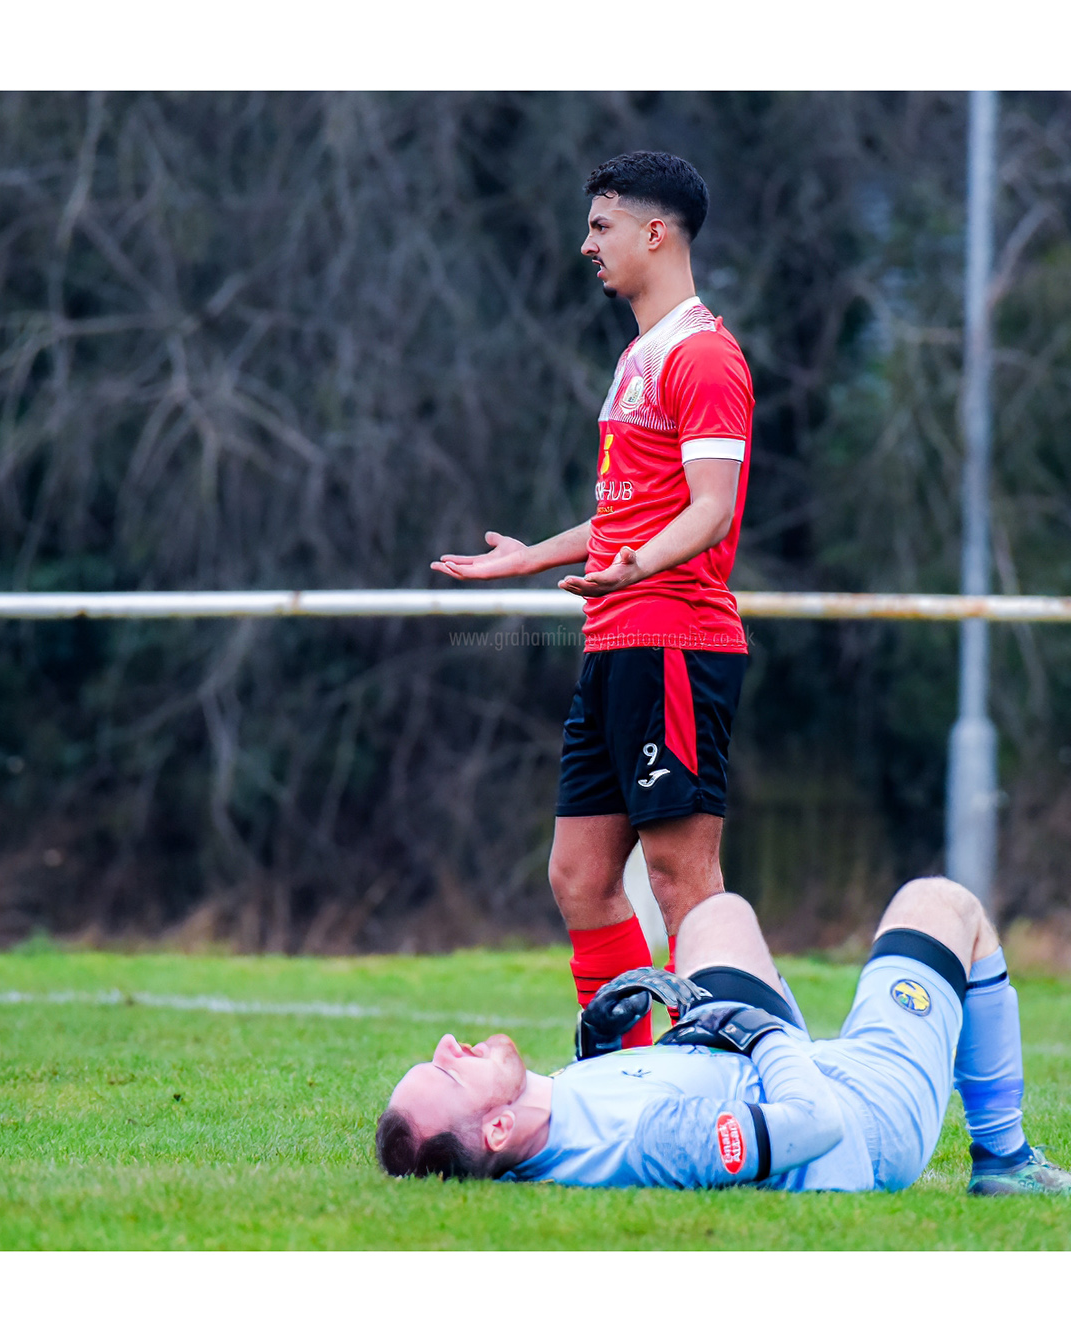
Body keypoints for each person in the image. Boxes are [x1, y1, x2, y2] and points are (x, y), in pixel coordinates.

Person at [432, 151, 755, 1047]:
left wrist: (638, 563)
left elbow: (713, 509)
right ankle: (628, 1076)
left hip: (676, 643)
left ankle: (731, 1073)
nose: (587, 245)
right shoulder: (639, 359)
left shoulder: (705, 355)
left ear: (657, 233)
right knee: (579, 875)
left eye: (602, 226)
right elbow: (625, 510)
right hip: (615, 643)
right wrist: (529, 558)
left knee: (683, 879)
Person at [375, 877, 1071, 1197]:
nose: (447, 1044)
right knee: (942, 904)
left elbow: (612, 1108)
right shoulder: (655, 1142)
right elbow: (813, 1124)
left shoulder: (538, 1130)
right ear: (498, 1126)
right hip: (857, 1110)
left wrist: (599, 1051)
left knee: (712, 915)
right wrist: (761, 1033)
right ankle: (1006, 1159)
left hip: (741, 1061)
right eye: (446, 1074)